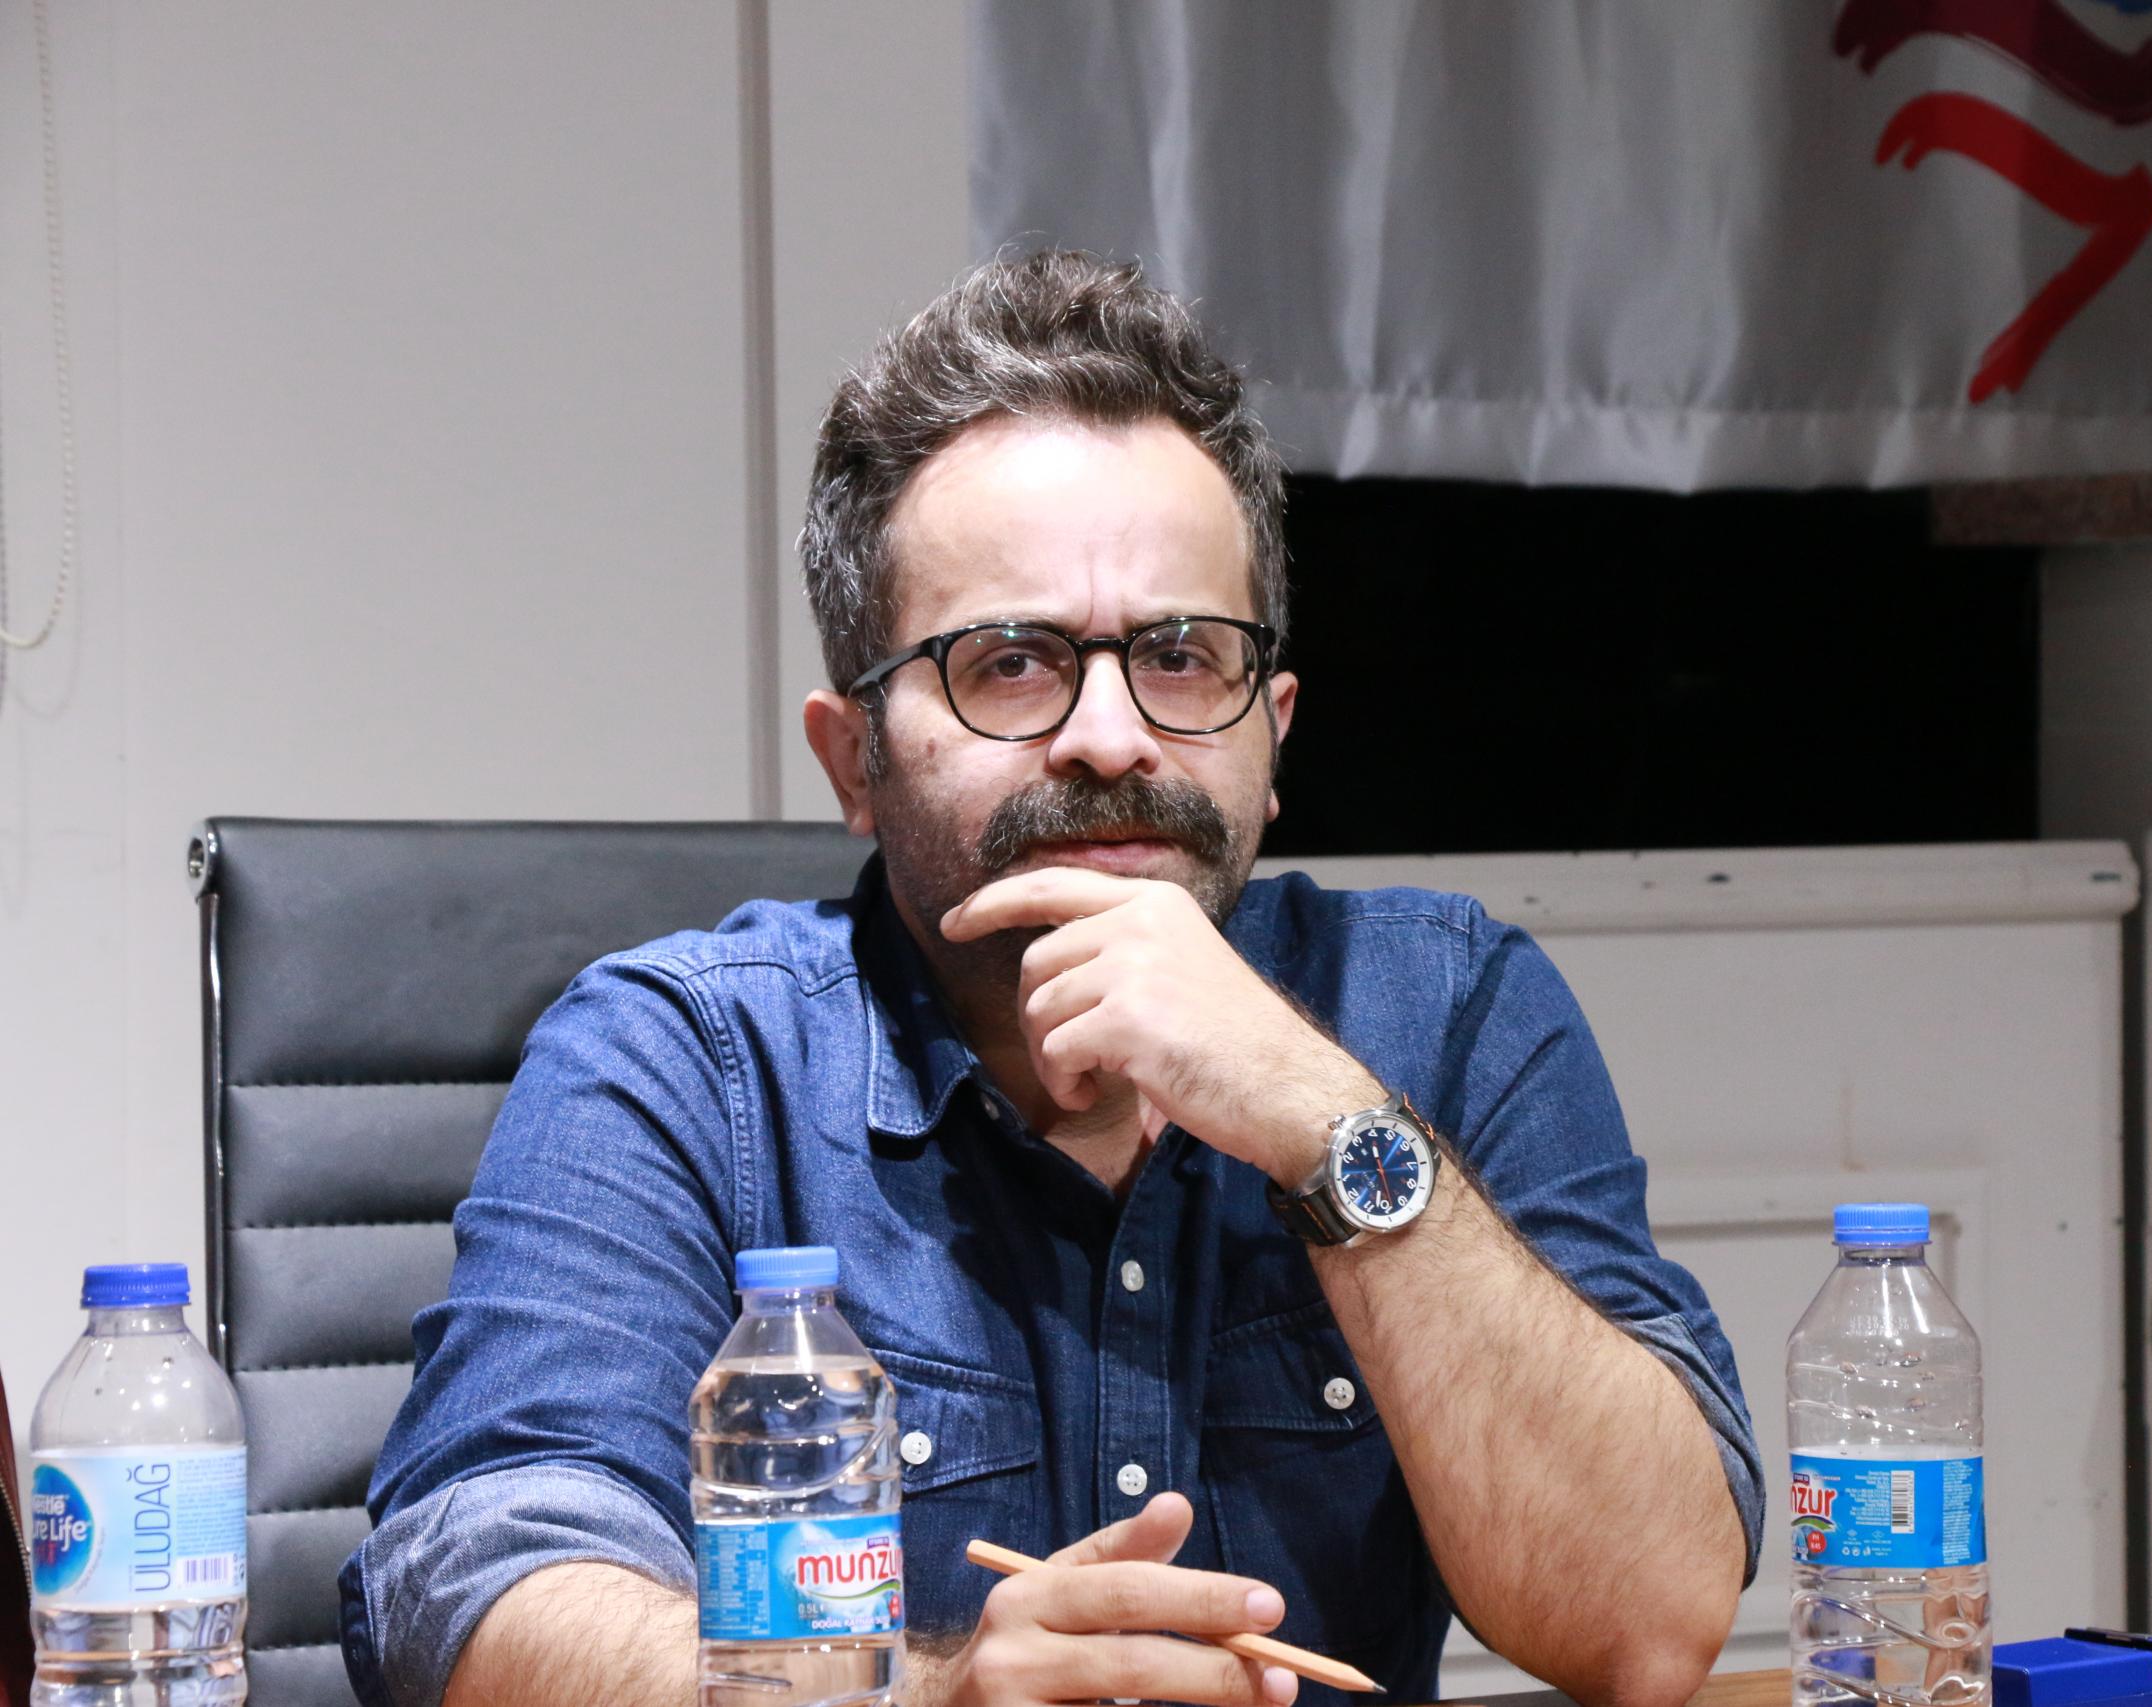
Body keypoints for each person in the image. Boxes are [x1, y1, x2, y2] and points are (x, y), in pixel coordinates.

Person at [340, 251, 1763, 1707]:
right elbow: (479, 1598)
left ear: (1272, 733)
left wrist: (1318, 1114)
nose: (1111, 735)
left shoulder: (1445, 1009)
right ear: (852, 760)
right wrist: (913, 1699)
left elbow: (1646, 1629)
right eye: (1010, 663)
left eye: (1182, 656)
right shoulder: (686, 1061)